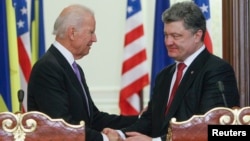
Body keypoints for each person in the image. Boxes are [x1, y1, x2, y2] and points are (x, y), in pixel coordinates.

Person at [103, 1, 240, 141]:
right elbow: (150, 120)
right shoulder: (164, 75)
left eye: (176, 36)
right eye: (166, 35)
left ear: (197, 35)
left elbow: (211, 126)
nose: (168, 42)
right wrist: (120, 134)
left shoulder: (216, 70)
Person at [27, 4, 138, 141]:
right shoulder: (47, 68)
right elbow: (62, 126)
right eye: (91, 32)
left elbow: (93, 118)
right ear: (72, 33)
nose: (95, 39)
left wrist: (140, 120)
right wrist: (106, 139)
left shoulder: (73, 68)